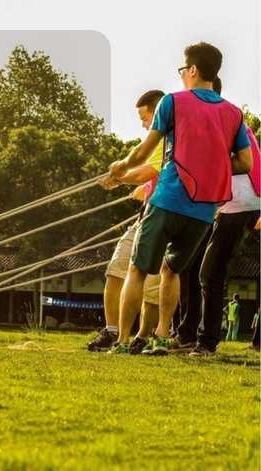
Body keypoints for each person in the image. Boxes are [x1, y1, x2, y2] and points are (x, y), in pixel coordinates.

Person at [107, 42, 253, 355]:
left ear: (193, 70)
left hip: (168, 200)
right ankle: (160, 336)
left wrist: (119, 168)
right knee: (171, 272)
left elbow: (144, 152)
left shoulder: (173, 101)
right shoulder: (232, 113)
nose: (182, 75)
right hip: (203, 212)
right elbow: (245, 163)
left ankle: (121, 342)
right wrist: (211, 163)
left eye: (182, 70)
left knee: (137, 270)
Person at [89, 89, 165, 354]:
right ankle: (112, 332)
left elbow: (150, 170)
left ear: (157, 112)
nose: (144, 125)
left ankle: (140, 337)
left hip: (161, 216)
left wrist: (120, 177)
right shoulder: (157, 141)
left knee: (152, 286)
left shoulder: (163, 137)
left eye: (145, 118)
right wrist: (138, 186)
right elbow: (154, 176)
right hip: (147, 213)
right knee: (117, 268)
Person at [190, 121, 261, 355]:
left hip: (240, 207)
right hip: (238, 207)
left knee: (209, 274)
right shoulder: (235, 127)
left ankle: (206, 342)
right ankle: (205, 341)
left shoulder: (224, 125)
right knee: (209, 274)